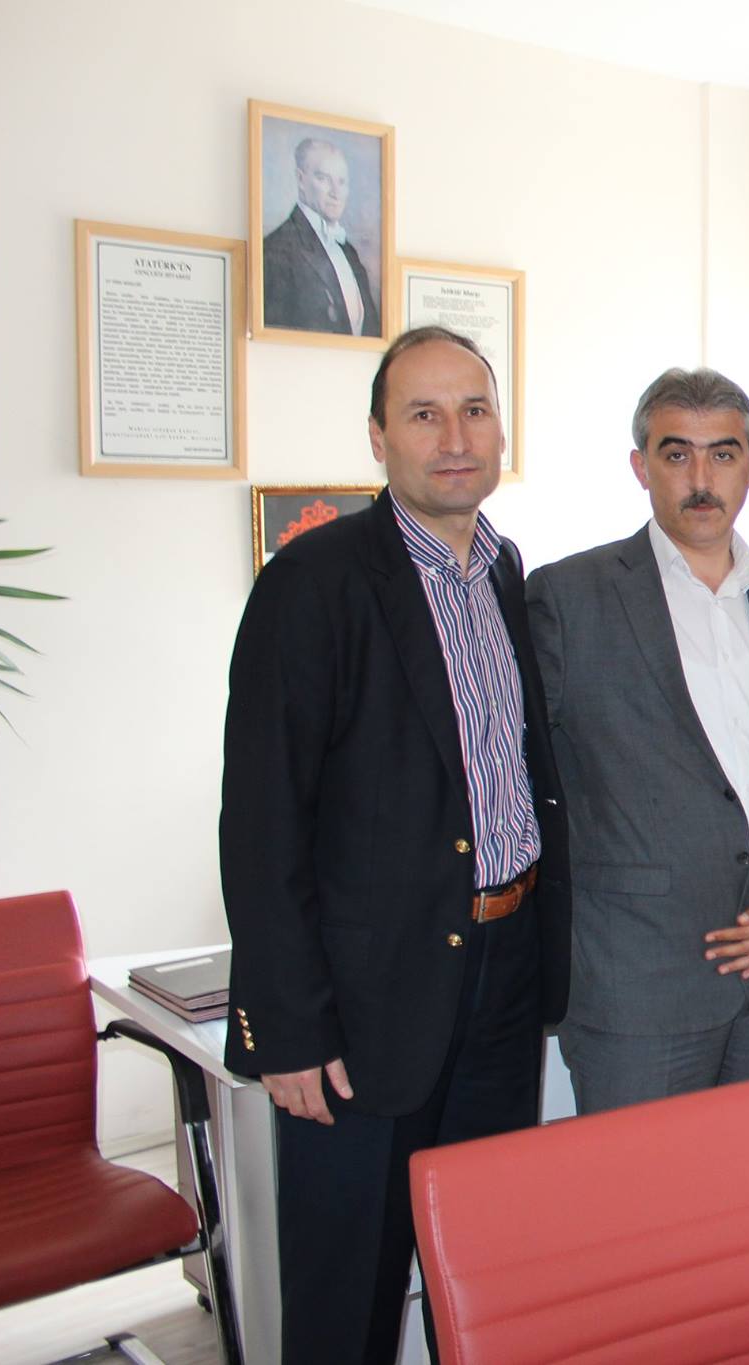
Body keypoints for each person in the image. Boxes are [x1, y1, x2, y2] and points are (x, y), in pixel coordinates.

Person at [219, 325, 568, 1364]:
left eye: (474, 410)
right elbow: (262, 820)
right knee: (348, 1296)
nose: (454, 437)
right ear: (378, 437)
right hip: (365, 1005)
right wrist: (285, 1028)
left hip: (503, 974)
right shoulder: (314, 581)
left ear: (501, 428)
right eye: (424, 414)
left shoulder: (505, 572)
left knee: (484, 1274)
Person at [526, 367, 749, 1114]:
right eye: (677, 454)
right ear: (640, 466)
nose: (701, 479)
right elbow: (521, 776)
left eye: (723, 454)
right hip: (635, 982)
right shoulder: (569, 595)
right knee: (638, 1188)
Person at [263, 136, 381, 336]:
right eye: (324, 179)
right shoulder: (276, 250)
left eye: (341, 182)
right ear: (301, 179)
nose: (336, 193)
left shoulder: (349, 253)